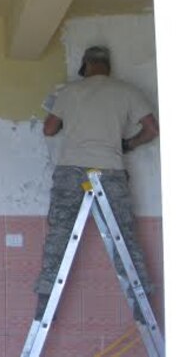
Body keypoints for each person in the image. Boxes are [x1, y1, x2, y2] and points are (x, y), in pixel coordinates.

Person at [34, 45, 159, 322]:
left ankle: (45, 303)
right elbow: (152, 129)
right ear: (108, 66)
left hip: (71, 172)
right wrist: (129, 144)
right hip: (111, 171)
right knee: (125, 237)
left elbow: (49, 129)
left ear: (86, 65)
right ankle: (142, 305)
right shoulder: (128, 92)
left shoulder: (69, 92)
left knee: (59, 238)